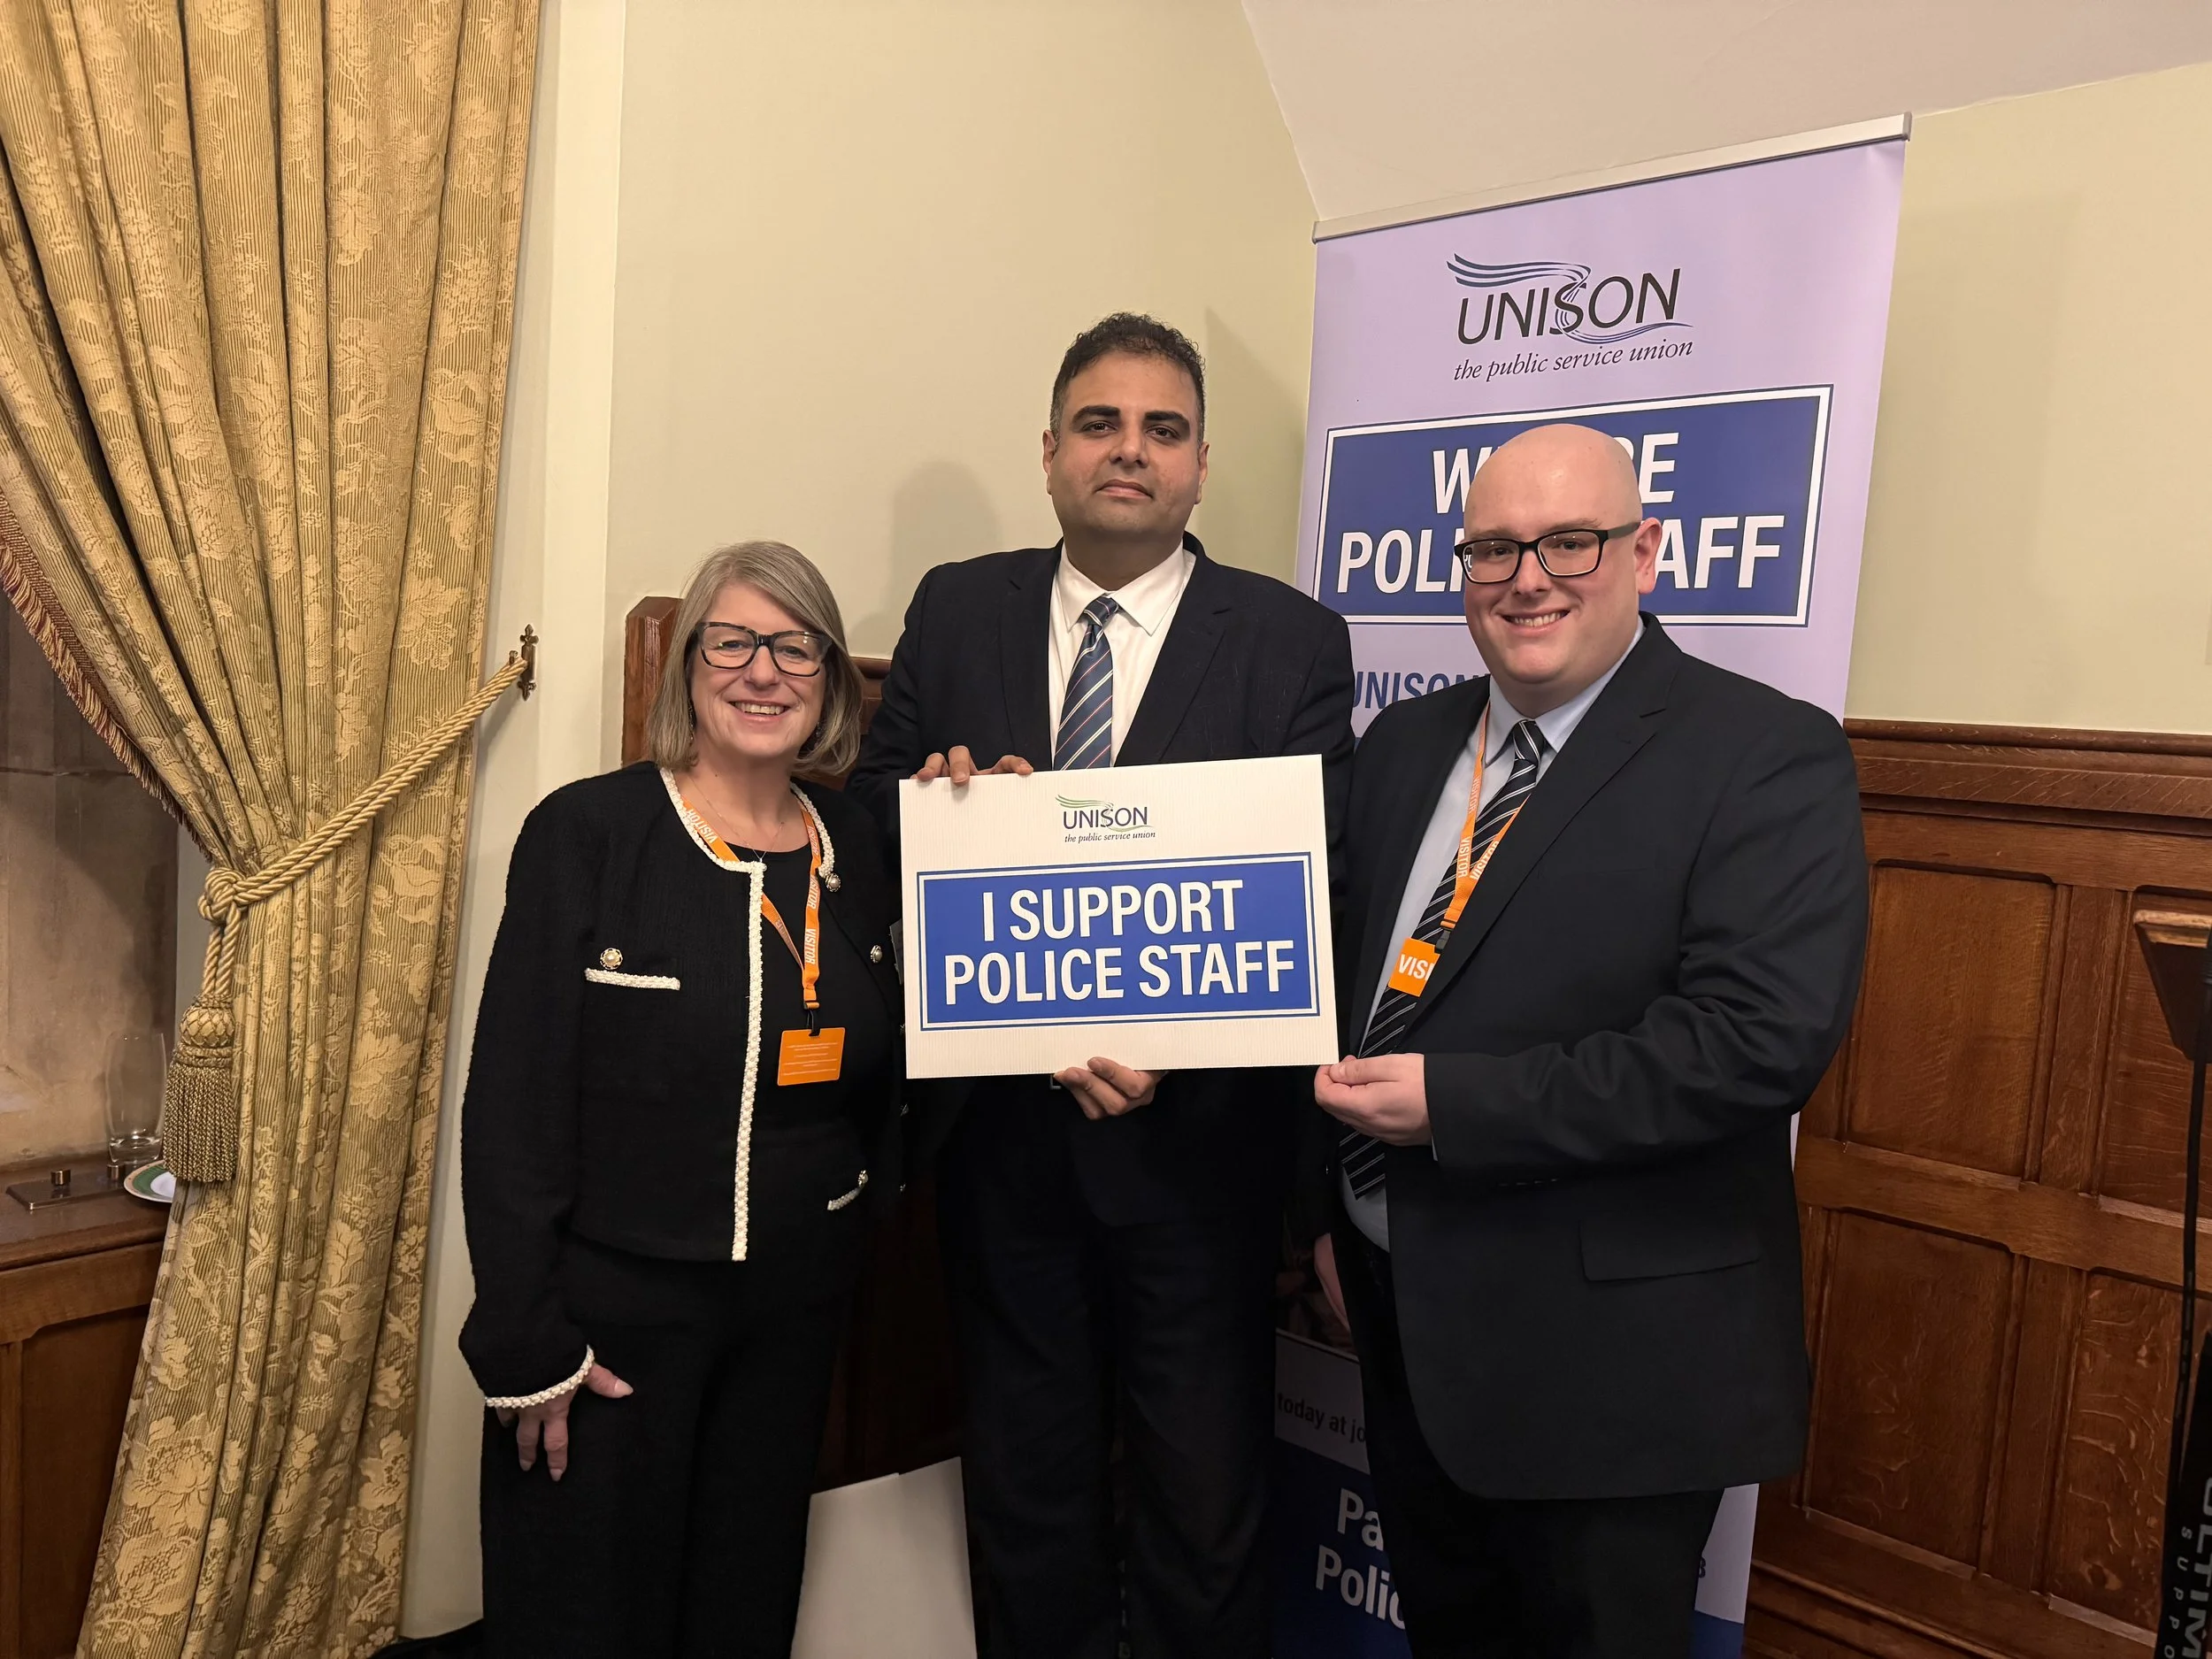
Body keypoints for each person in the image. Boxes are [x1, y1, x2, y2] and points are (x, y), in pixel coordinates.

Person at [1301, 423, 1868, 1658]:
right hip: (1409, 1322)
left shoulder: (1764, 753)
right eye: (1493, 549)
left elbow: (1754, 1042)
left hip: (1612, 1373)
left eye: (1570, 542)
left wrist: (1456, 1107)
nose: (1528, 579)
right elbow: (1332, 993)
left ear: (1645, 551)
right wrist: (1326, 1217)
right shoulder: (1403, 746)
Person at [848, 313, 1355, 1657]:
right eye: (1100, 423)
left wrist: (1174, 1046)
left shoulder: (1292, 641)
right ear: (1051, 452)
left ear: (1199, 467)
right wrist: (939, 804)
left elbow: (1313, 887)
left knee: (1204, 1499)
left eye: (1162, 429)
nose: (1130, 450)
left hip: (1201, 1157)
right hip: (1001, 1151)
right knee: (1025, 1492)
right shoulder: (960, 606)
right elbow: (869, 821)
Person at [458, 541, 903, 1659]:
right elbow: (513, 1100)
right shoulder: (589, 833)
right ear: (688, 665)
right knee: (582, 1622)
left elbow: (904, 1068)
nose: (763, 672)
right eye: (733, 643)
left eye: (795, 648)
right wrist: (524, 1339)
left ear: (829, 679)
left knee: (741, 1615)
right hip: (611, 1329)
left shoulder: (860, 844)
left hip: (791, 1324)